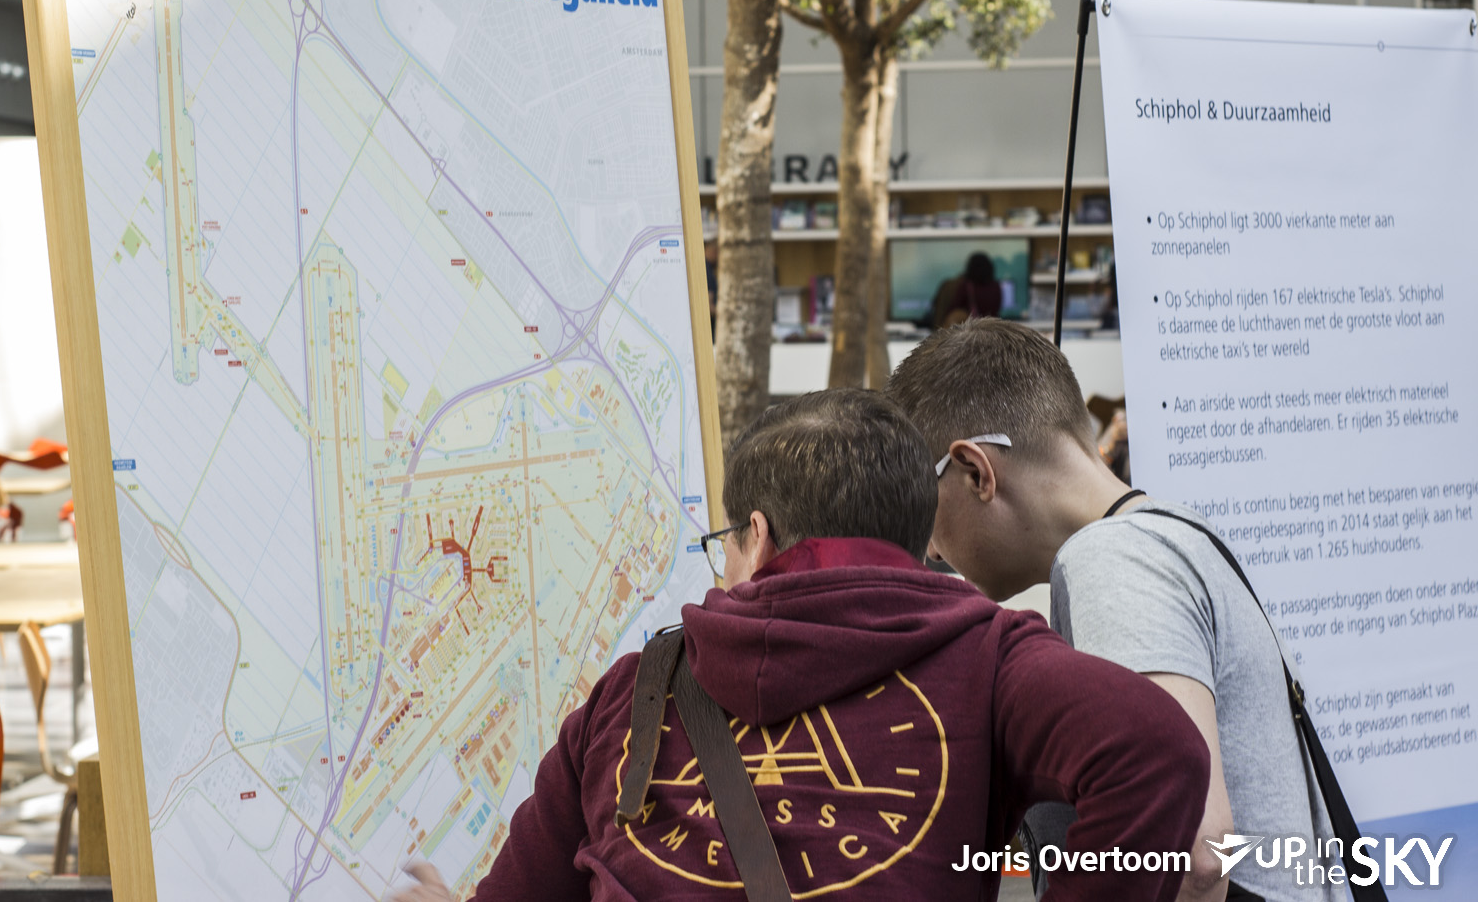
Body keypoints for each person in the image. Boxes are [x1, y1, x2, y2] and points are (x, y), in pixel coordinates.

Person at [391, 388, 1209, 901]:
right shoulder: (993, 660)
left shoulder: (637, 690)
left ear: (755, 535)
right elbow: (1158, 749)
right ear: (915, 531)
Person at [886, 319, 1341, 902]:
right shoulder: (1174, 532)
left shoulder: (1112, 561)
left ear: (976, 470)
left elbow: (1192, 854)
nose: (928, 548)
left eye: (924, 504)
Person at [929, 250, 1002, 329]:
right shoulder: (996, 286)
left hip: (971, 330)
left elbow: (954, 307)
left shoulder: (967, 285)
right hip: (992, 328)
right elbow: (996, 308)